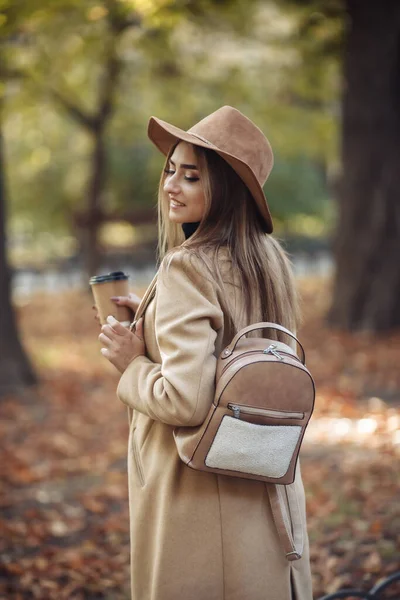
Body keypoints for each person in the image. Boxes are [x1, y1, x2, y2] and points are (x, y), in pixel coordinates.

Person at [97, 106, 313, 600]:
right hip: (264, 476)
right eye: (170, 170)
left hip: (195, 493)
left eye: (191, 176)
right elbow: (243, 351)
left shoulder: (186, 267)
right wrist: (153, 320)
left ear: (226, 188)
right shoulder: (269, 261)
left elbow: (184, 401)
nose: (171, 185)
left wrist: (132, 364)